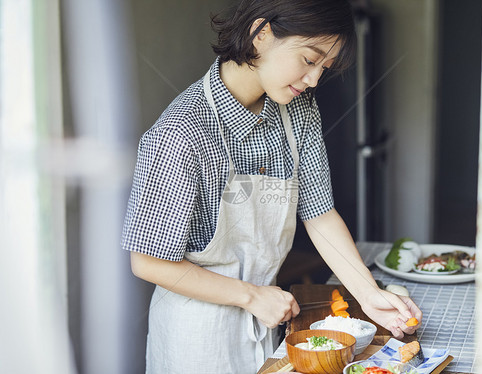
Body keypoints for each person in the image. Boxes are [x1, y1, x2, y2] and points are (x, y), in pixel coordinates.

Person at [121, 0, 422, 373]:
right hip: (196, 338)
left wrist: (368, 294)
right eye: (309, 60)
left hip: (268, 318)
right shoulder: (181, 133)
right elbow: (147, 262)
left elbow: (319, 213)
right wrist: (250, 296)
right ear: (261, 34)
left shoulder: (298, 108)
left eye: (322, 69)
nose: (313, 80)